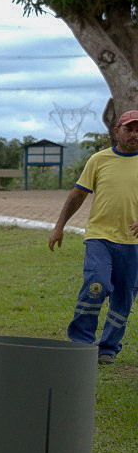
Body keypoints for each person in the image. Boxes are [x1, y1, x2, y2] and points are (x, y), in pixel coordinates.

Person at [49, 109, 138, 364]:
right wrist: (59, 227)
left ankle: (108, 348)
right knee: (96, 285)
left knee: (124, 298)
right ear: (116, 130)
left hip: (134, 245)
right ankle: (81, 342)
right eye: (129, 129)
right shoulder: (99, 160)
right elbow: (77, 195)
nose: (134, 134)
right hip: (100, 238)